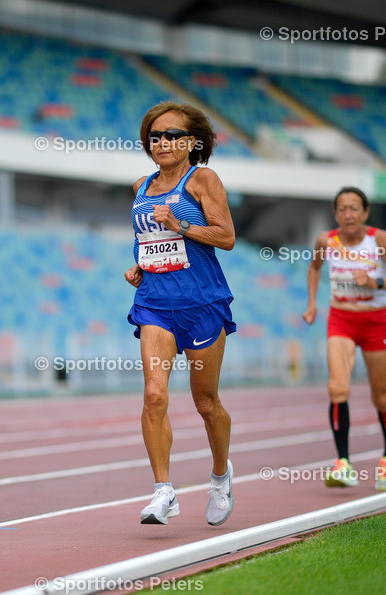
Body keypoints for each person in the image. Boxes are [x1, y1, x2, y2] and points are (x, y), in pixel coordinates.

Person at [124, 101, 236, 525]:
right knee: (154, 395)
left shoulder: (202, 179)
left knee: (205, 403)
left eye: (173, 135)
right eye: (156, 136)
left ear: (193, 141)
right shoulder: (140, 186)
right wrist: (140, 263)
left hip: (202, 304)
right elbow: (147, 239)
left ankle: (221, 477)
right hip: (155, 303)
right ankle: (163, 491)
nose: (163, 142)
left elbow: (226, 237)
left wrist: (182, 224)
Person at [302, 187, 386, 491]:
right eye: (342, 209)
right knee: (337, 387)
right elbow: (314, 267)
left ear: (365, 212)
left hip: (374, 322)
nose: (348, 214)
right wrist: (312, 302)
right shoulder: (326, 241)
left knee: (380, 395)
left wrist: (375, 281)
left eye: (354, 208)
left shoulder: (379, 240)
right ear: (335, 213)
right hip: (340, 319)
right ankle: (343, 464)